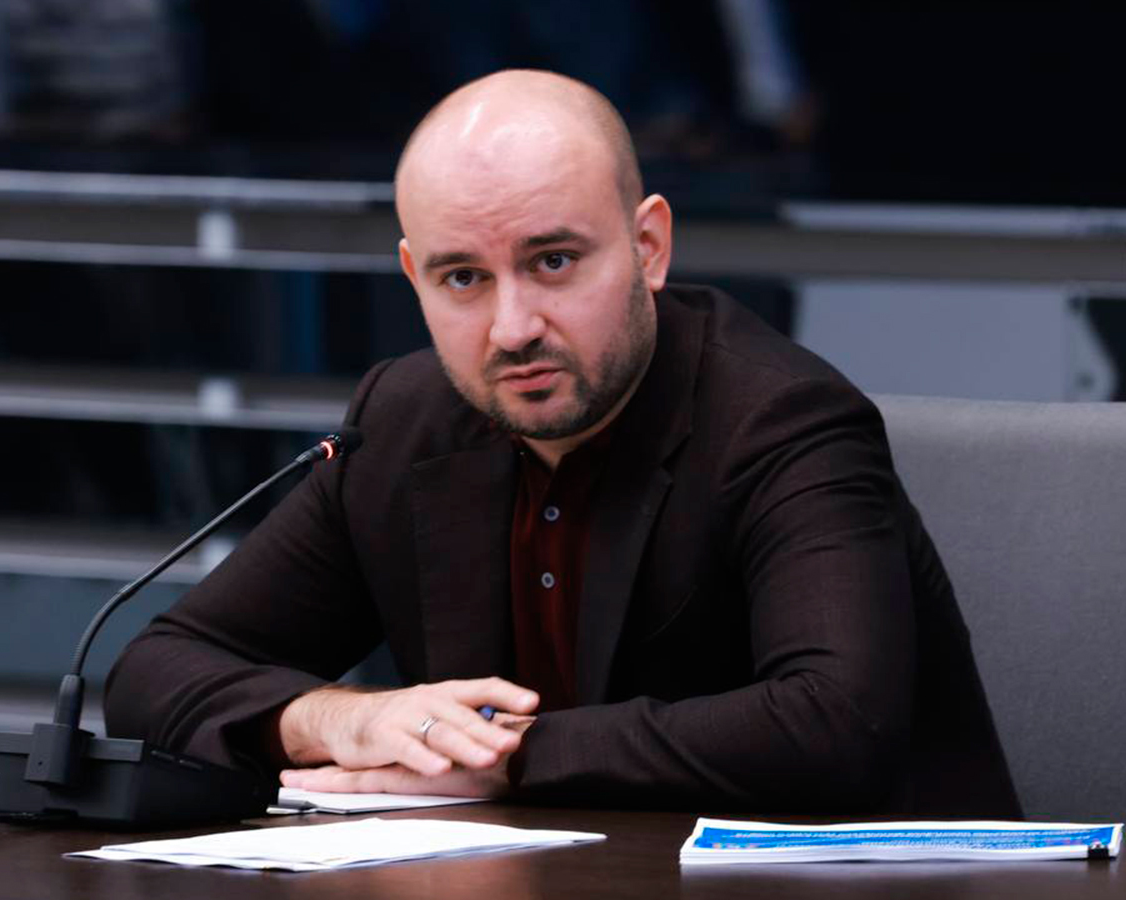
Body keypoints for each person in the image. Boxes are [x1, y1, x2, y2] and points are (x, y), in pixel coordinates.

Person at [106, 69, 1019, 815]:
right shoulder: (402, 424)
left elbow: (835, 728)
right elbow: (153, 673)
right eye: (463, 278)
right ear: (414, 278)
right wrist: (337, 720)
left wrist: (506, 756)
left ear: (649, 246)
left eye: (553, 262)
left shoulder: (783, 421)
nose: (513, 328)